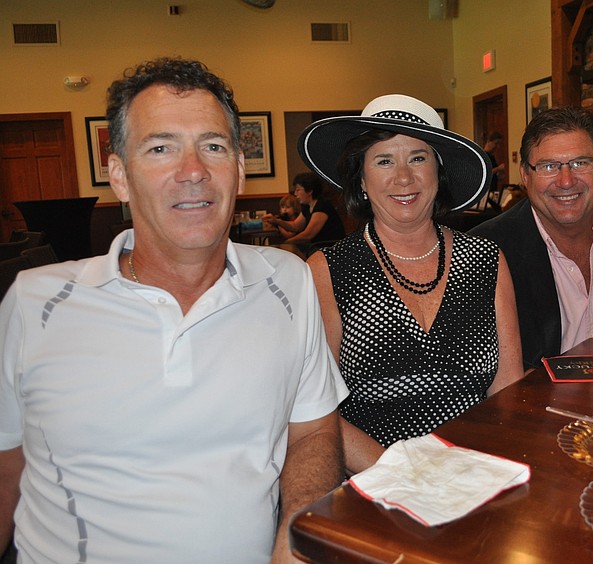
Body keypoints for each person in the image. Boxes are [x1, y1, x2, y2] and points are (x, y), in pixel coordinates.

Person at [0, 58, 348, 564]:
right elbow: (5, 464)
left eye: (213, 147)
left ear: (239, 170)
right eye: (161, 148)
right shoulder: (37, 303)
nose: (193, 171)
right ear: (119, 176)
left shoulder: (288, 282)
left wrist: (296, 539)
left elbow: (313, 430)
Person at [298, 94, 524, 474]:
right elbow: (317, 409)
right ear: (362, 179)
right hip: (376, 479)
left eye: (418, 158)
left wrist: (479, 472)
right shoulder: (327, 270)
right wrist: (405, 477)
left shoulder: (487, 260)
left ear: (439, 172)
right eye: (384, 161)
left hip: (477, 471)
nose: (404, 177)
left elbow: (508, 389)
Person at [471, 107, 593, 370]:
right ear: (525, 175)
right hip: (539, 395)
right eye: (549, 166)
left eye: (580, 163)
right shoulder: (486, 249)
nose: (566, 181)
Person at [282, 172, 346, 251]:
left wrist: (288, 242)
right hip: (317, 246)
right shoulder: (307, 206)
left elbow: (308, 235)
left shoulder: (322, 206)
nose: (295, 193)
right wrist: (276, 221)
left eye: (298, 190)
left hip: (330, 248)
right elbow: (295, 226)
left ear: (309, 191)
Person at [483, 131, 505, 204]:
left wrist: (500, 174)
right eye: (496, 143)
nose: (497, 147)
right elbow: (485, 172)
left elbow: (495, 175)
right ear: (489, 141)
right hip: (486, 192)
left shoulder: (492, 157)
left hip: (493, 190)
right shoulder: (483, 156)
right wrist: (498, 168)